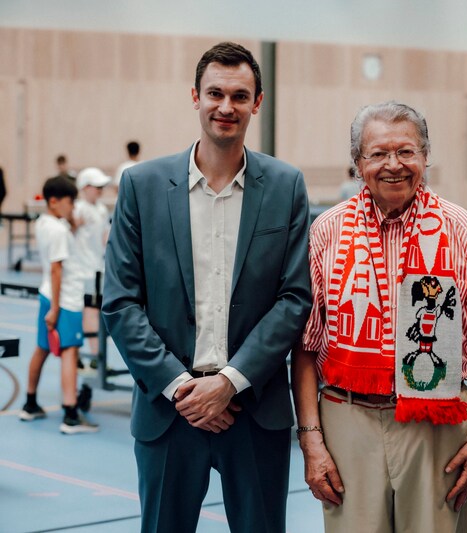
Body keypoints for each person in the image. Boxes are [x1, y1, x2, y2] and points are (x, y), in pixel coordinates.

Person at [101, 42, 311, 532]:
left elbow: (294, 297)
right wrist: (183, 389)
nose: (226, 107)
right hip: (169, 411)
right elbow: (121, 302)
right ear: (194, 97)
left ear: (257, 102)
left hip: (253, 408)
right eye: (215, 93)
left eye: (240, 96)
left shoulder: (285, 186)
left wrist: (229, 382)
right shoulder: (142, 186)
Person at [292, 101, 467, 533]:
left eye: (407, 152)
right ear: (358, 164)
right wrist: (311, 438)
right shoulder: (327, 230)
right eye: (378, 154)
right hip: (346, 417)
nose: (394, 165)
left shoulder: (459, 227)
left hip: (438, 423)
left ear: (425, 157)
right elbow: (306, 345)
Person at [19, 177, 98, 433]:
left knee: (42, 348)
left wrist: (72, 222)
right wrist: (56, 308)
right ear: (54, 201)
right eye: (70, 202)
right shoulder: (59, 231)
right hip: (64, 300)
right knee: (70, 352)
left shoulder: (46, 223)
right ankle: (71, 415)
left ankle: (30, 404)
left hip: (48, 296)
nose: (73, 207)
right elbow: (56, 270)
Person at [73, 168, 111, 355]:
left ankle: (92, 354)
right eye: (96, 186)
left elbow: (105, 237)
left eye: (101, 187)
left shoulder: (102, 209)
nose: (100, 190)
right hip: (80, 271)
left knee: (93, 311)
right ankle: (95, 355)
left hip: (97, 268)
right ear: (85, 187)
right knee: (89, 311)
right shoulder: (78, 209)